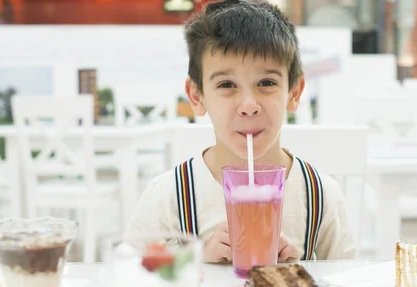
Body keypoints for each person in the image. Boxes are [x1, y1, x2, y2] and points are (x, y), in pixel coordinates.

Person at [125, 0, 356, 263]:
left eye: (266, 82)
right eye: (226, 84)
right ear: (197, 95)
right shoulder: (168, 195)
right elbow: (128, 280)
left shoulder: (320, 194)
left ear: (293, 92)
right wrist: (194, 261)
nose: (248, 105)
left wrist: (301, 272)